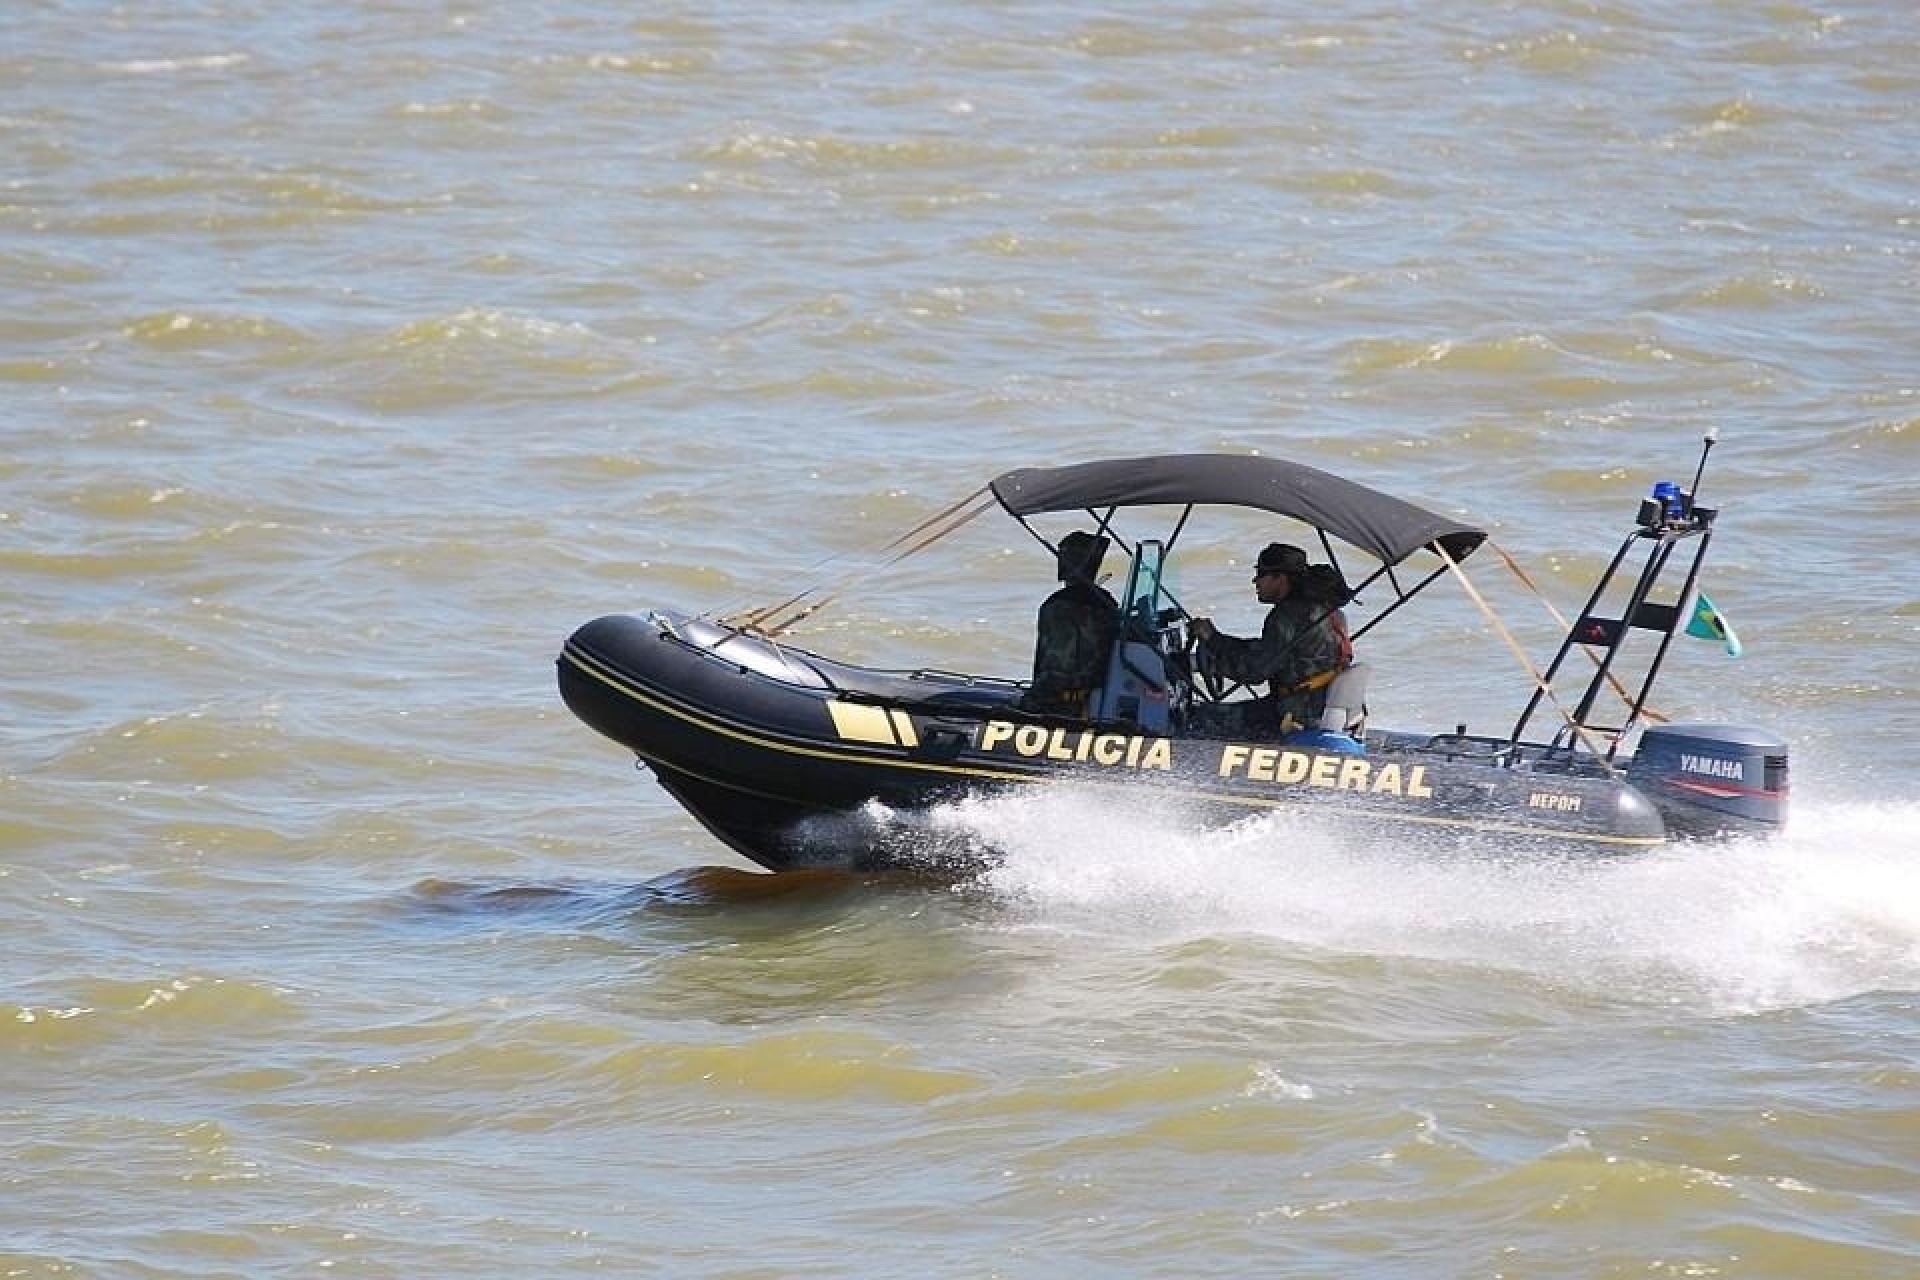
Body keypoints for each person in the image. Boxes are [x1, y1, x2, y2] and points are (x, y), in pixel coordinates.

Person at [1189, 542, 1344, 735]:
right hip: (1318, 705)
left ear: (1280, 578)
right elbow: (1267, 650)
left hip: (1296, 714)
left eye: (1261, 574)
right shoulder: (1324, 609)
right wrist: (1218, 640)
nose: (1255, 581)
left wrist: (1212, 643)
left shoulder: (1287, 616)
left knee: (1197, 719)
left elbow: (1255, 672)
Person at [1018, 530, 1120, 717]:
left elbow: (1057, 671)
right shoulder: (1107, 603)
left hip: (1062, 706)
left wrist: (1032, 702)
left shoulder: (1058, 607)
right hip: (1096, 700)